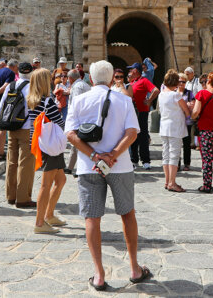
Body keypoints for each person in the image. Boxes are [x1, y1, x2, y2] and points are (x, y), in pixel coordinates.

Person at [65, 60, 151, 290]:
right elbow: (132, 133)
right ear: (113, 78)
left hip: (88, 166)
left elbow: (71, 134)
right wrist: (112, 155)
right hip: (120, 165)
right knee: (127, 214)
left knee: (92, 218)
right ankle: (134, 268)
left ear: (90, 79)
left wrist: (95, 156)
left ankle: (99, 274)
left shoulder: (80, 99)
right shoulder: (123, 100)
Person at [26, 67, 68, 232]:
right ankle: (40, 222)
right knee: (46, 184)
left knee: (61, 180)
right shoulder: (47, 101)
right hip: (50, 147)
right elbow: (59, 122)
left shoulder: (32, 100)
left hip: (41, 143)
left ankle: (49, 215)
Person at [0, 63, 37, 208]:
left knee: (12, 161)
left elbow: (1, 107)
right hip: (27, 128)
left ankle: (10, 195)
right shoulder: (33, 87)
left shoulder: (11, 86)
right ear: (31, 73)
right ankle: (22, 198)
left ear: (18, 73)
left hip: (11, 127)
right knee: (25, 163)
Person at [158, 70, 191, 192]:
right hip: (175, 127)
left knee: (166, 154)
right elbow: (186, 111)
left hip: (164, 126)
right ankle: (172, 182)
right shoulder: (176, 95)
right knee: (174, 155)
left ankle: (167, 181)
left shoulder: (161, 94)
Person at [127, 62, 159, 170]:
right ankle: (134, 159)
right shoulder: (132, 82)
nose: (130, 71)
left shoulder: (143, 80)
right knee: (132, 136)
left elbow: (155, 90)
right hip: (132, 112)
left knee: (143, 136)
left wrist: (149, 100)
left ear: (136, 70)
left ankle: (145, 160)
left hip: (141, 112)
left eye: (132, 69)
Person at [65, 69, 92, 174]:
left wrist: (74, 120)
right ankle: (70, 167)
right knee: (76, 144)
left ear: (70, 78)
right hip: (85, 117)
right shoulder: (83, 84)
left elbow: (76, 104)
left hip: (80, 119)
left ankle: (79, 169)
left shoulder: (77, 87)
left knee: (78, 143)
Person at [178, 72, 195, 171]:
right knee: (177, 144)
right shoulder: (174, 92)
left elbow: (192, 105)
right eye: (180, 81)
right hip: (177, 122)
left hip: (187, 122)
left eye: (183, 82)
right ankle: (177, 163)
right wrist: (185, 105)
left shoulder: (189, 93)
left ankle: (187, 163)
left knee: (186, 144)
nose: (181, 84)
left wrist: (187, 105)